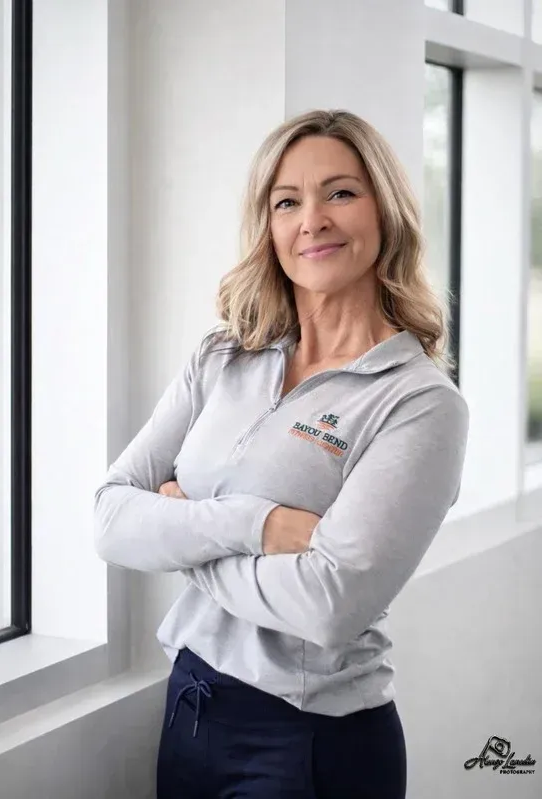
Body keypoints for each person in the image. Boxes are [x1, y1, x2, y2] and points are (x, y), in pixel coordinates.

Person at [94, 108, 469, 799]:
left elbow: (328, 605)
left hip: (310, 742)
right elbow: (111, 519)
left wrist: (179, 533)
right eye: (286, 201)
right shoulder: (222, 354)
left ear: (383, 210)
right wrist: (255, 525)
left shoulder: (418, 402)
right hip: (191, 709)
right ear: (267, 226)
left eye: (340, 193)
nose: (312, 220)